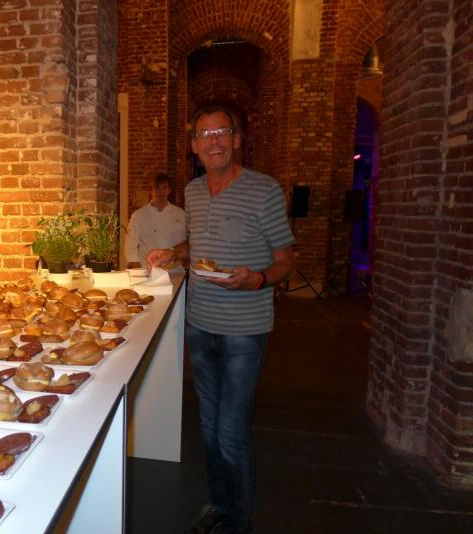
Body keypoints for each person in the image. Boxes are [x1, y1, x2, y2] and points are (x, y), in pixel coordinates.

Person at [147, 106, 295, 534]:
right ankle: (218, 504)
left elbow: (286, 261)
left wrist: (258, 279)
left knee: (231, 432)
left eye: (221, 132)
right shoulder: (193, 192)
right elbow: (198, 243)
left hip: (244, 331)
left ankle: (239, 524)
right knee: (209, 425)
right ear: (194, 145)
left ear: (236, 139)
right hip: (200, 324)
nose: (213, 141)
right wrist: (172, 252)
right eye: (204, 134)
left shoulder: (264, 191)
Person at [124, 173, 185, 270]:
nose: (161, 191)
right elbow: (130, 247)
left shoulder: (180, 214)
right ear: (150, 190)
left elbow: (186, 243)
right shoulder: (138, 215)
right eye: (157, 188)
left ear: (169, 190)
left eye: (164, 187)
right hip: (148, 270)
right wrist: (137, 271)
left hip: (175, 271)